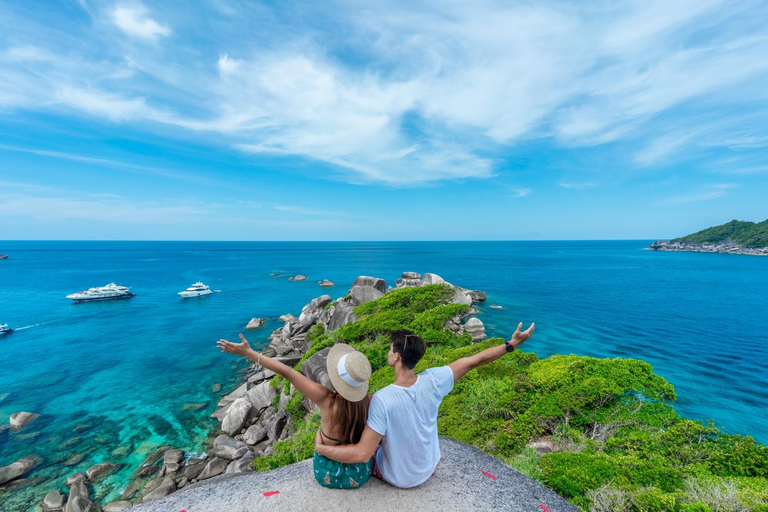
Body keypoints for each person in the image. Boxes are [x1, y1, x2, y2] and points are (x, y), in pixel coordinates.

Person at [314, 322, 535, 488]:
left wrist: (323, 449)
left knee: (367, 437)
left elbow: (362, 454)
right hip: (428, 467)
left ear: (397, 357)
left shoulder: (382, 399)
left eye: (390, 349)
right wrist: (511, 344)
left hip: (399, 478)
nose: (388, 353)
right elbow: (474, 360)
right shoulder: (435, 379)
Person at [217, 334, 374, 489]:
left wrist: (248, 353)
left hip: (327, 474)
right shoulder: (370, 401)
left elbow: (287, 372)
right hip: (359, 474)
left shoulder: (326, 399)